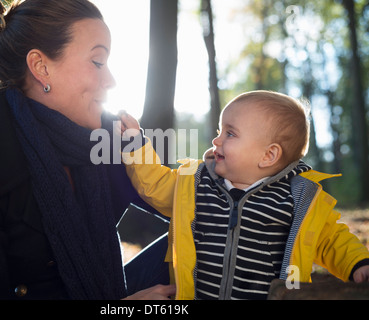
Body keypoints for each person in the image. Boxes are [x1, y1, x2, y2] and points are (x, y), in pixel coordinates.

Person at [0, 0, 175, 300]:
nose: (111, 80)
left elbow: (178, 195)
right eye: (98, 62)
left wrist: (229, 167)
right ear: (41, 67)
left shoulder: (110, 136)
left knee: (217, 230)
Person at [119, 90, 369, 300]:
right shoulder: (196, 183)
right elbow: (155, 184)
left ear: (268, 155)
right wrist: (135, 144)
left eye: (230, 133)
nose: (216, 140)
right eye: (219, 130)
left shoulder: (296, 199)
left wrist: (359, 263)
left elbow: (331, 239)